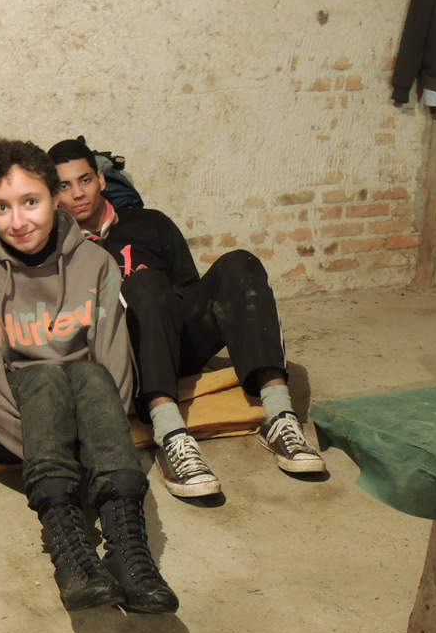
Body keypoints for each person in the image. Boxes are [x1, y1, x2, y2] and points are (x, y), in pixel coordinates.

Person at [0, 137, 178, 614]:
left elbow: (115, 367)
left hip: (81, 409)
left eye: (30, 202)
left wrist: (92, 437)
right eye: (1, 207)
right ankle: (69, 548)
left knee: (90, 375)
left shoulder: (96, 262)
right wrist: (58, 450)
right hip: (0, 420)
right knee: (45, 378)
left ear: (54, 197)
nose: (18, 221)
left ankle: (130, 551)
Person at [48, 138, 325, 500]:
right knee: (143, 283)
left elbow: (189, 288)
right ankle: (170, 434)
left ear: (100, 179)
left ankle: (278, 416)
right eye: (64, 186)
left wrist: (161, 304)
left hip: (176, 343)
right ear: (53, 195)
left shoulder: (152, 223)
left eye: (84, 180)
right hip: (123, 360)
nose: (77, 193)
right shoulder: (58, 248)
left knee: (240, 263)